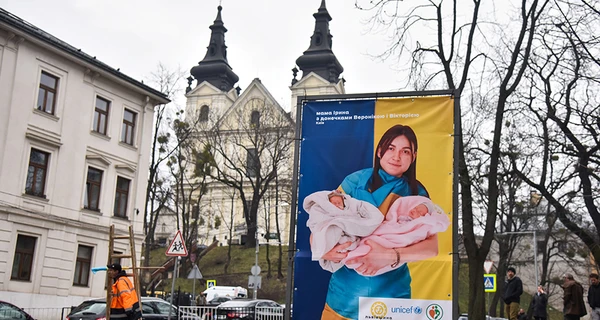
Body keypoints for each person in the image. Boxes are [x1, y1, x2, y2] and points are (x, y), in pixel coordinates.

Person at [314, 124, 439, 320]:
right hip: (343, 298)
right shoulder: (354, 182)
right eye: (391, 148)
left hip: (392, 300)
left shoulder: (417, 195)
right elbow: (322, 222)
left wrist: (390, 256)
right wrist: (324, 250)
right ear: (380, 151)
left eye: (405, 151)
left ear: (413, 157)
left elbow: (432, 248)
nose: (396, 156)